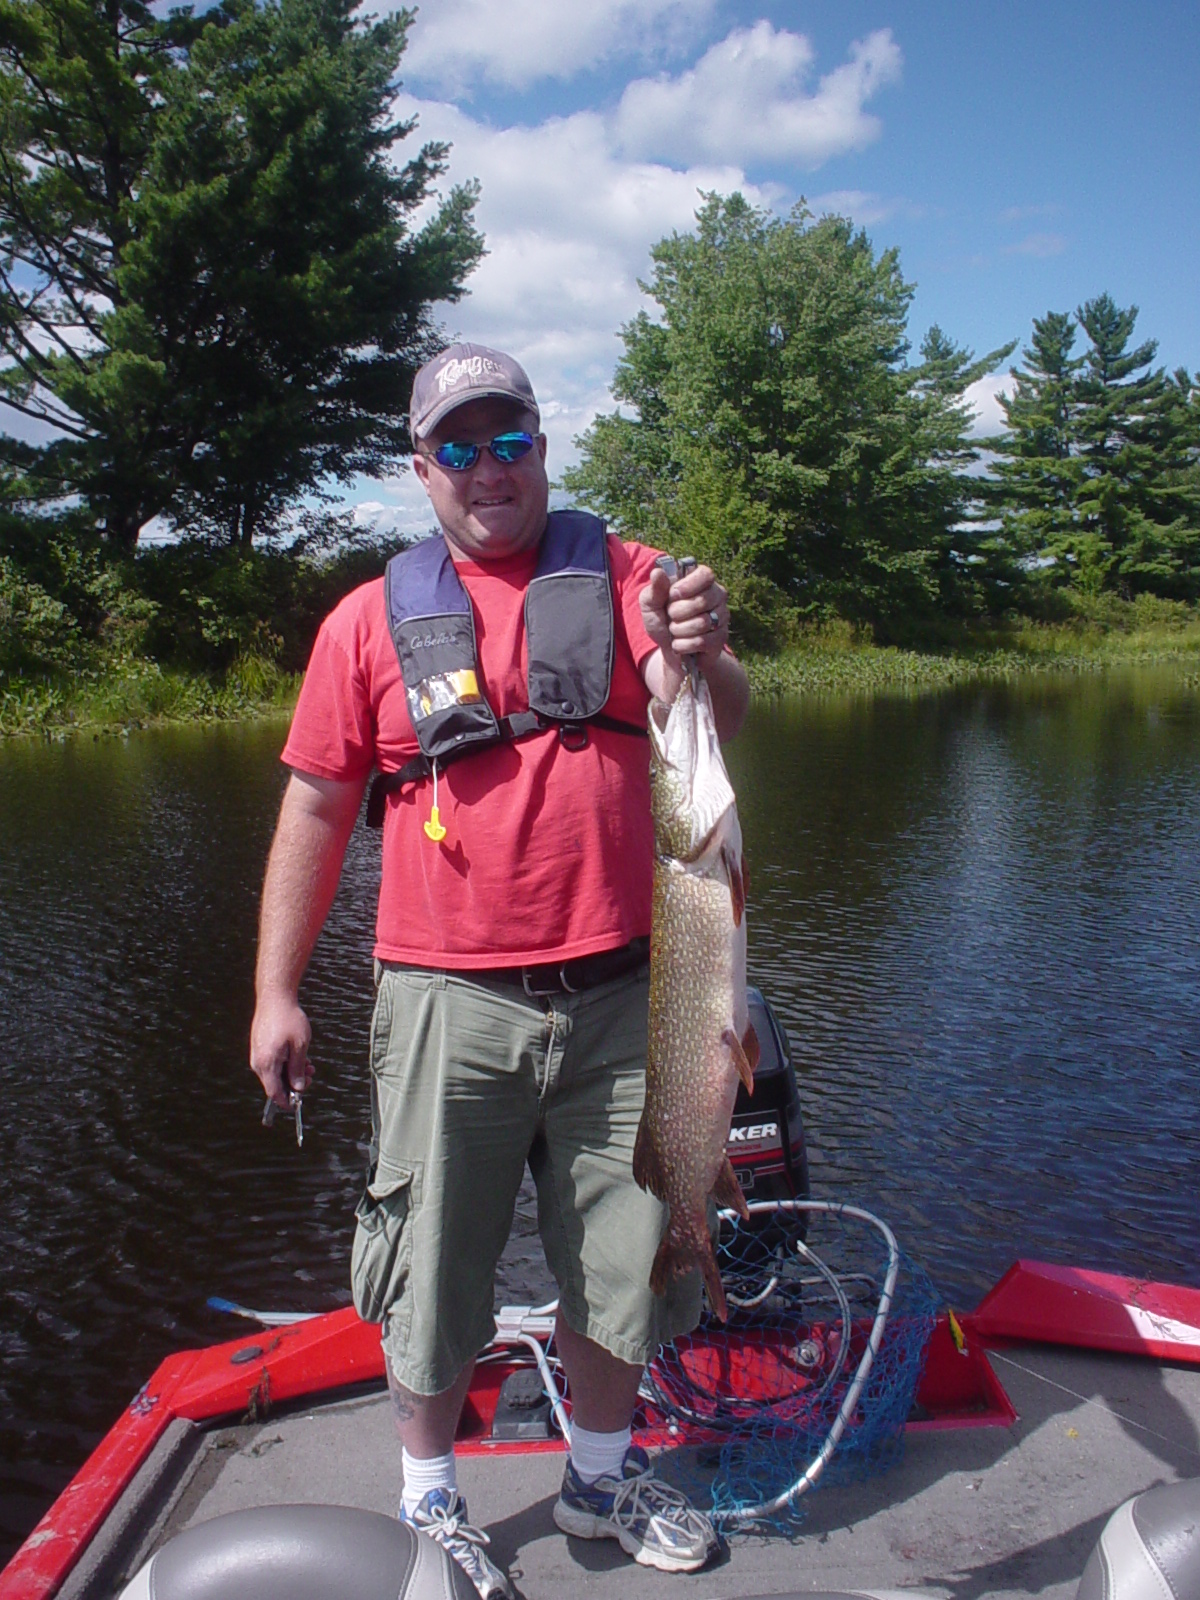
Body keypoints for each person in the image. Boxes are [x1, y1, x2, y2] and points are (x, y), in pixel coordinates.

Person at [249, 342, 750, 1599]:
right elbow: (314, 810)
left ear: (542, 445)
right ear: (423, 468)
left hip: (636, 992)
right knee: (429, 1263)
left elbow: (714, 712)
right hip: (444, 1001)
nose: (489, 469)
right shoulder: (366, 623)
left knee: (625, 1249)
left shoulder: (628, 576)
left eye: (509, 440)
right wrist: (274, 989)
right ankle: (429, 1506)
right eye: (458, 448)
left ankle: (596, 1480)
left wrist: (709, 645)